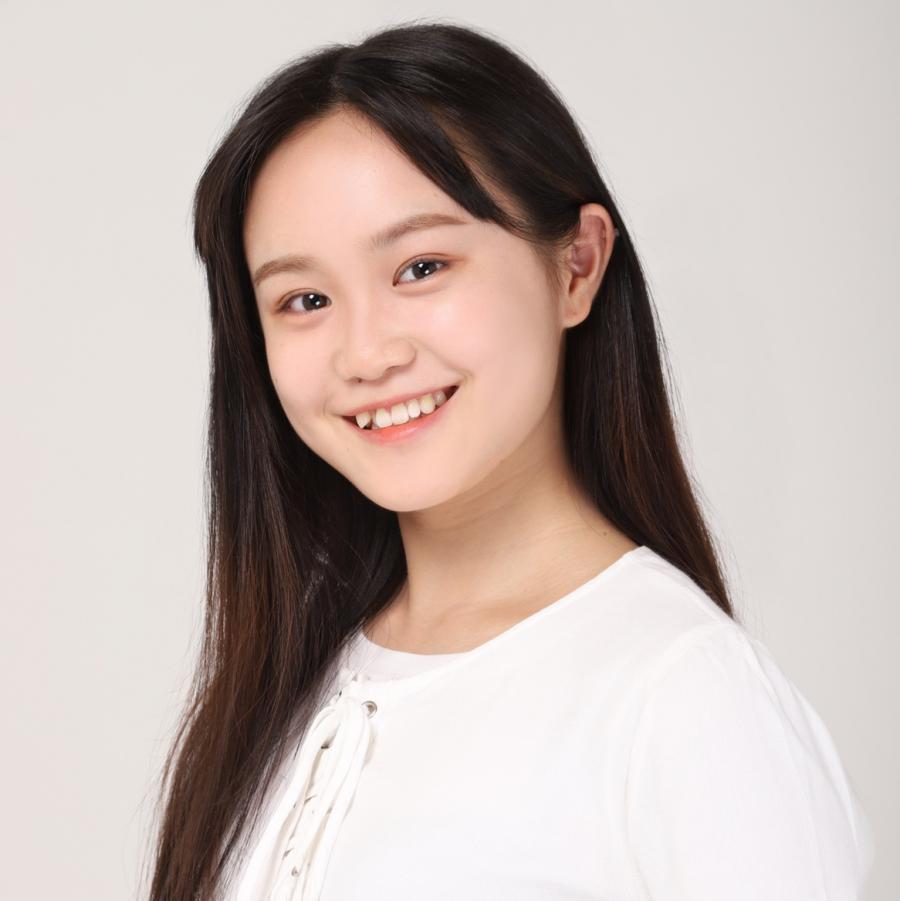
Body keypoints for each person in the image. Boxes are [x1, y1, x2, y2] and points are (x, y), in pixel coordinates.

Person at [147, 20, 875, 901]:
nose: (366, 353)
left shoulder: (685, 697)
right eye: (304, 299)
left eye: (421, 267)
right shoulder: (289, 685)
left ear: (577, 266)